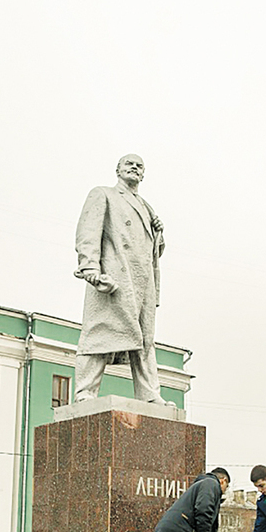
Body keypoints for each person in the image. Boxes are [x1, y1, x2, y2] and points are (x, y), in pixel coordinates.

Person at [72, 154, 171, 405]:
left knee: (145, 340)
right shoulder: (104, 194)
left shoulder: (146, 207)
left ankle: (149, 393)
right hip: (115, 277)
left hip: (142, 282)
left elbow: (150, 250)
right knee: (100, 332)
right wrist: (90, 267)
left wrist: (158, 233)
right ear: (118, 170)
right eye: (129, 163)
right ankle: (85, 392)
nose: (134, 167)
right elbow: (88, 231)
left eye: (139, 166)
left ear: (143, 174)